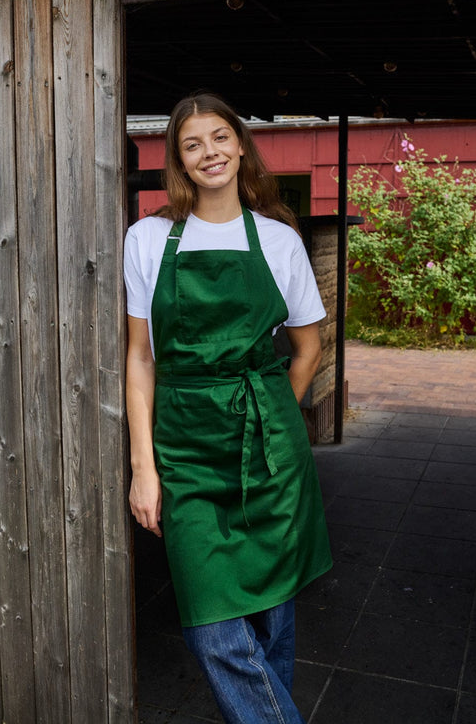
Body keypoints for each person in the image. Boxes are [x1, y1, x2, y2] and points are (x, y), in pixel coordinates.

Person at [123, 91, 332, 723]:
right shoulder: (148, 239)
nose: (208, 152)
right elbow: (140, 359)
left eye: (219, 138)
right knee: (214, 631)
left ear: (240, 146)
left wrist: (273, 412)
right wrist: (144, 469)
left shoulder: (278, 240)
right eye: (192, 144)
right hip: (185, 449)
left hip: (269, 446)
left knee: (272, 614)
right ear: (179, 161)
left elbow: (309, 345)